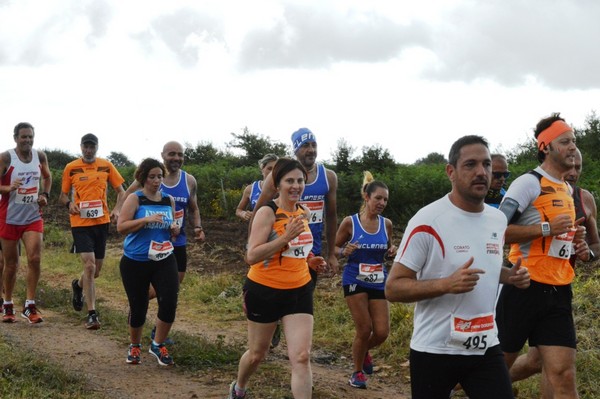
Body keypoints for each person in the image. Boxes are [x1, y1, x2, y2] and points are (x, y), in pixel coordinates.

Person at [385, 135, 530, 399]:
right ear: (450, 172)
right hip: (435, 350)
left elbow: (484, 268)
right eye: (470, 164)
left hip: (485, 345)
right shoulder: (428, 220)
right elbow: (393, 288)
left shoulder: (497, 220)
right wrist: (445, 284)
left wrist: (510, 276)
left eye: (486, 165)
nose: (481, 172)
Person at [496, 113, 585, 398]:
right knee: (496, 367)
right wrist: (546, 228)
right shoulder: (529, 183)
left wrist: (574, 241)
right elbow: (495, 230)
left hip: (558, 290)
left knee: (563, 373)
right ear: (546, 147)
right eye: (565, 141)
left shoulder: (567, 188)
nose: (572, 147)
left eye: (574, 140)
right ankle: (445, 383)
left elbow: (558, 239)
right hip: (523, 285)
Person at [228, 158, 326, 399]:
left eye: (300, 180)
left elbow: (298, 250)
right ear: (278, 183)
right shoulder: (267, 212)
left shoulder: (303, 212)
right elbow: (251, 256)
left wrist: (309, 260)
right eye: (289, 180)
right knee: (257, 353)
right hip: (264, 290)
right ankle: (239, 388)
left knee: (301, 357)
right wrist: (284, 238)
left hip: (299, 289)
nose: (296, 186)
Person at [119, 141, 205, 341]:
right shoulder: (148, 180)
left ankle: (154, 325)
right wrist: (118, 210)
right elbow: (127, 196)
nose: (176, 158)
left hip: (176, 242)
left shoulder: (189, 180)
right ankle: (138, 310)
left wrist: (197, 227)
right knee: (155, 292)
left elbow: (194, 208)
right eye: (172, 154)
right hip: (145, 247)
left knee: (171, 289)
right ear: (164, 155)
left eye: (180, 154)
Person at [334, 171, 397, 389]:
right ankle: (357, 372)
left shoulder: (386, 224)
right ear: (367, 197)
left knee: (381, 332)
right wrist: (344, 251)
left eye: (385, 199)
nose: (382, 202)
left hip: (379, 280)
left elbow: (387, 249)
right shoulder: (350, 223)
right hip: (355, 279)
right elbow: (333, 248)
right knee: (364, 329)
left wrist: (391, 252)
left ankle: (364, 351)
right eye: (378, 198)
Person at [117, 158, 180, 366]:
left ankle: (158, 344)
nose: (156, 180)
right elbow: (121, 227)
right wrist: (145, 220)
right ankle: (134, 345)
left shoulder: (168, 200)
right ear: (143, 178)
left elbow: (171, 228)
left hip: (163, 257)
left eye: (159, 176)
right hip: (135, 260)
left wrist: (173, 230)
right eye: (152, 177)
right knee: (139, 307)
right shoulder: (135, 199)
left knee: (169, 300)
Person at [252, 128, 338, 279]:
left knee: (304, 293)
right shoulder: (276, 177)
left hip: (310, 249)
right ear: (296, 149)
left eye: (314, 145)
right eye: (305, 145)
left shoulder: (328, 177)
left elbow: (331, 217)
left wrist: (331, 254)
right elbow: (257, 214)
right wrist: (251, 248)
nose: (311, 150)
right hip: (280, 249)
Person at [60, 133, 126, 330]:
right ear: (81, 147)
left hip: (101, 223)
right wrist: (69, 204)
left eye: (92, 147)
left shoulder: (106, 165)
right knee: (88, 266)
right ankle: (92, 314)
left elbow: (122, 192)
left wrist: (116, 210)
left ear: (97, 147)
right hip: (80, 223)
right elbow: (62, 196)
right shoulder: (71, 168)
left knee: (95, 271)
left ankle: (78, 286)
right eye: (86, 147)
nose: (89, 150)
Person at [0, 122, 52, 324]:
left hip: (32, 215)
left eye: (31, 136)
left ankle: (30, 305)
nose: (28, 140)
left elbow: (47, 178)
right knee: (11, 265)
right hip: (9, 217)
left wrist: (45, 194)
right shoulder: (6, 158)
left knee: (35, 258)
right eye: (24, 137)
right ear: (15, 138)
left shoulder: (40, 156)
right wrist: (8, 188)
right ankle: (8, 303)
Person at [235, 153, 279, 222]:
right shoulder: (251, 189)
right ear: (262, 170)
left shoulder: (283, 188)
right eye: (269, 168)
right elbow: (239, 210)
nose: (272, 172)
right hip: (258, 229)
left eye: (276, 169)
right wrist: (244, 214)